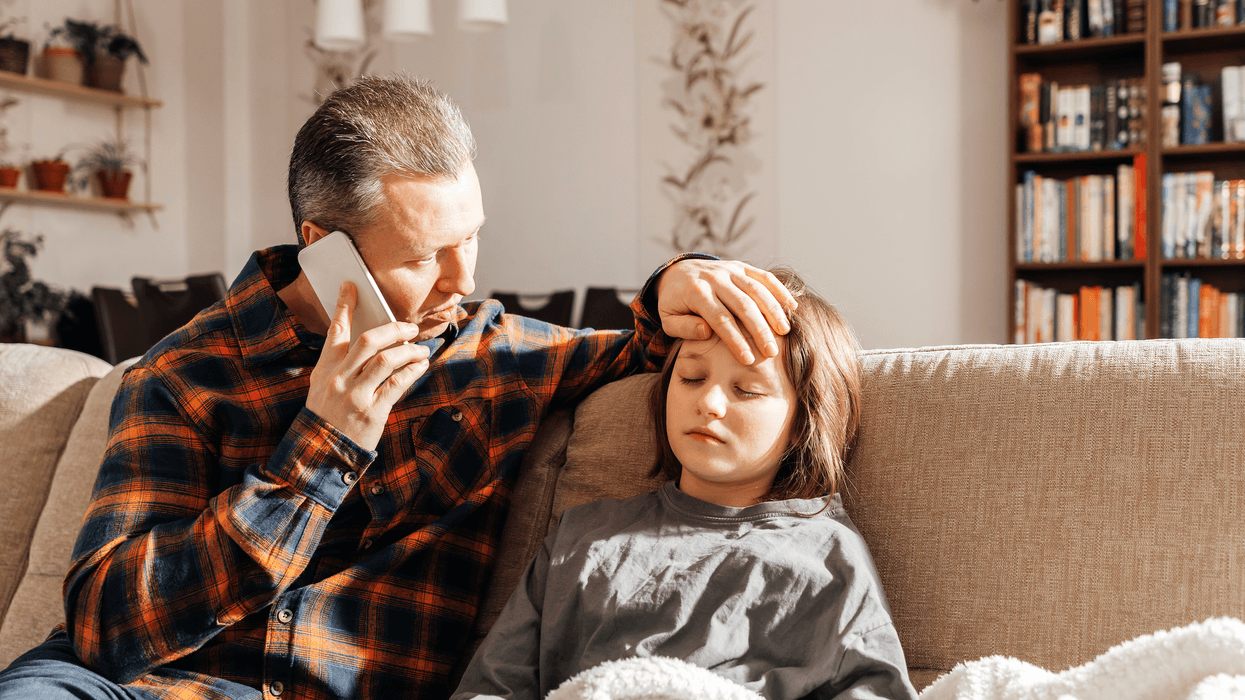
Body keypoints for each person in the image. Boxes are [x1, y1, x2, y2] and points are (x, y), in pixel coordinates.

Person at [0, 76, 797, 700]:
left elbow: (655, 348)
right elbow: (106, 628)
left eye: (472, 236)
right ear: (322, 249)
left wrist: (679, 279)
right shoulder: (184, 374)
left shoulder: (495, 358)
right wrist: (323, 444)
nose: (467, 277)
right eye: (425, 257)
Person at [452, 268, 919, 700]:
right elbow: (491, 686)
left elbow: (874, 688)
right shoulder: (583, 536)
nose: (710, 402)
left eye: (747, 390)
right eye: (692, 377)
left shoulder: (826, 555)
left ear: (803, 422)